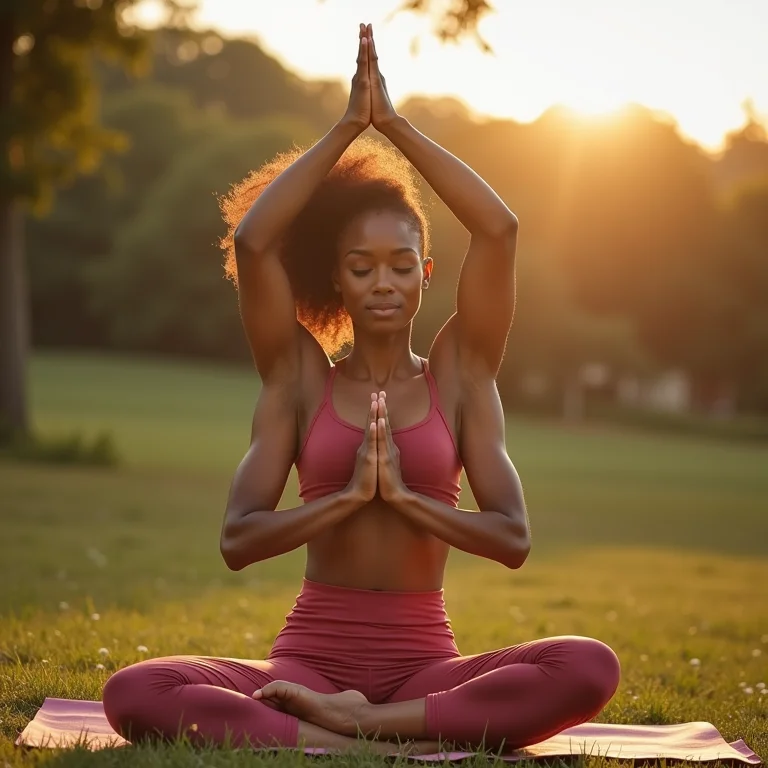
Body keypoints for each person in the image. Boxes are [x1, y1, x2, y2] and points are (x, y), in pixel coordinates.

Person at [102, 23, 620, 756]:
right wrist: (347, 128)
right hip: (307, 662)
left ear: (426, 274)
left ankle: (358, 728)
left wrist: (396, 125)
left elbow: (513, 539)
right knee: (134, 690)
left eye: (402, 265)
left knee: (588, 663)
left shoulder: (461, 374)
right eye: (363, 265)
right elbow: (237, 539)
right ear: (337, 277)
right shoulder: (299, 378)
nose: (384, 282)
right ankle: (359, 736)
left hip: (424, 667)